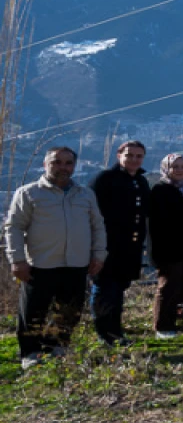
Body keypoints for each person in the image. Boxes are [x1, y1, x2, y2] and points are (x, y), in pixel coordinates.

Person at [6, 148, 106, 369]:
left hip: (76, 263)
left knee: (69, 308)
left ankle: (56, 346)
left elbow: (97, 226)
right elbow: (13, 228)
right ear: (46, 164)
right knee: (33, 310)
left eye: (68, 163)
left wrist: (99, 254)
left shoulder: (85, 194)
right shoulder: (29, 193)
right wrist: (17, 260)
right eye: (57, 162)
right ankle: (30, 353)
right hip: (40, 263)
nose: (63, 167)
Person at [90, 140, 151, 345]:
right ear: (119, 155)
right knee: (104, 288)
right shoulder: (105, 179)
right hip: (107, 245)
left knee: (119, 289)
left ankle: (115, 332)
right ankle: (104, 333)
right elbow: (91, 212)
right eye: (130, 155)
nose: (134, 159)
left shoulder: (141, 181)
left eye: (138, 156)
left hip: (130, 247)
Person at [149, 154, 183, 338]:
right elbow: (160, 223)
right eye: (174, 166)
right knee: (168, 286)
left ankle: (175, 321)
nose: (179, 170)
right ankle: (162, 326)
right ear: (165, 168)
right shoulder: (160, 190)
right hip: (169, 248)